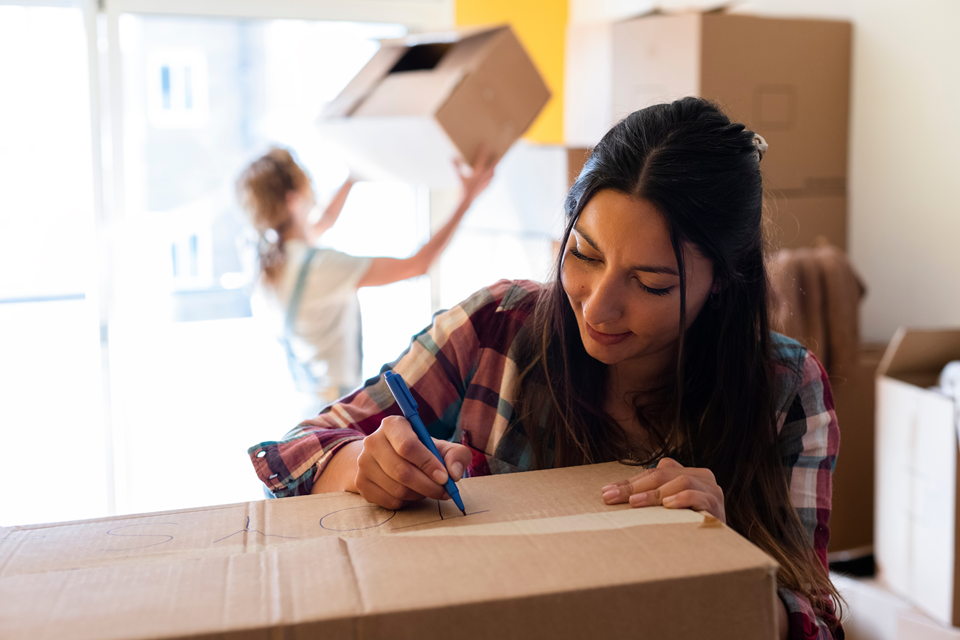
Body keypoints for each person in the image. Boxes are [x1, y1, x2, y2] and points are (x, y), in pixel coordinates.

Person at [249, 98, 842, 639]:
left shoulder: (786, 389)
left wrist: (725, 566)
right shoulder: (494, 327)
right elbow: (294, 452)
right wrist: (365, 465)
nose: (598, 307)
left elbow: (815, 621)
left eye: (650, 283)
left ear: (723, 283)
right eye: (584, 254)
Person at [236, 146, 496, 401]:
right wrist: (466, 200)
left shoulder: (266, 256)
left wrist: (353, 176)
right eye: (307, 179)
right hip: (335, 402)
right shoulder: (320, 268)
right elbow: (417, 265)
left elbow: (324, 221)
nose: (313, 185)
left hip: (308, 398)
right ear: (292, 201)